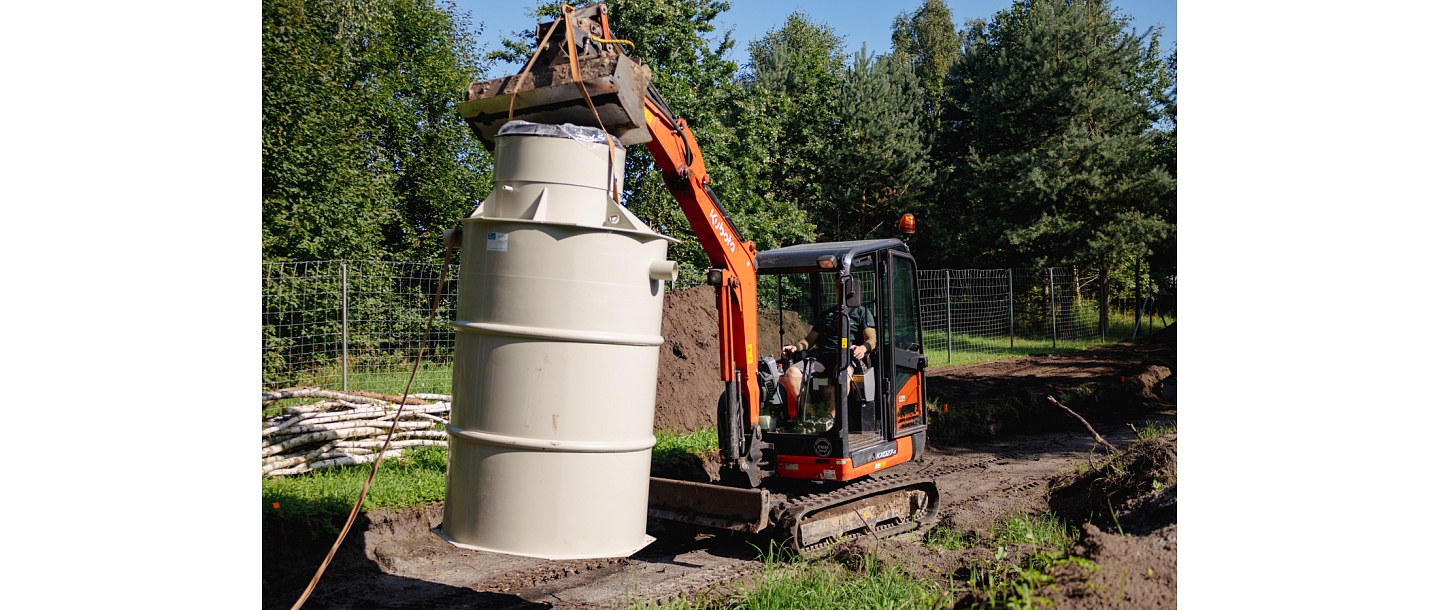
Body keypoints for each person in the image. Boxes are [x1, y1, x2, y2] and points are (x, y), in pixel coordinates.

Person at [780, 299, 877, 424]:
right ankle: (810, 417)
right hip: (822, 360)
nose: (839, 290)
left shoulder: (861, 312)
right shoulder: (826, 315)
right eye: (837, 288)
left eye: (842, 288)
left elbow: (872, 340)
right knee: (791, 373)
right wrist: (795, 347)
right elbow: (809, 340)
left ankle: (829, 419)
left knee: (842, 374)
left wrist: (862, 348)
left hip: (846, 358)